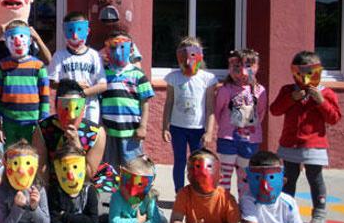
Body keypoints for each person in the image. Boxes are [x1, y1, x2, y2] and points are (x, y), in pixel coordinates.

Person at [270, 50, 342, 223]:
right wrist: (291, 99)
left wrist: (321, 101)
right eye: (301, 73)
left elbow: (334, 118)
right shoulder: (288, 90)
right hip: (290, 143)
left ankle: (319, 212)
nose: (306, 77)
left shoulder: (326, 93)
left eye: (311, 72)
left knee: (315, 178)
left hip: (314, 144)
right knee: (289, 178)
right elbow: (275, 110)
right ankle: (286, 213)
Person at [46, 146, 126, 223]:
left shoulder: (89, 190)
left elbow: (92, 221)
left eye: (75, 167)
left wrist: (64, 216)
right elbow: (54, 221)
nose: (71, 175)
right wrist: (80, 220)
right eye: (64, 169)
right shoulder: (54, 191)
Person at [162, 37, 217, 192]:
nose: (188, 59)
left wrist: (209, 131)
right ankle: (179, 191)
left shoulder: (208, 78)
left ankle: (197, 191)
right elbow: (169, 102)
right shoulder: (173, 77)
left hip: (197, 128)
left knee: (198, 162)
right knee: (179, 161)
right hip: (178, 127)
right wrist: (165, 127)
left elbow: (210, 106)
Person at [36, 79, 109, 188]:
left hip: (81, 189)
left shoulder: (96, 133)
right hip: (52, 189)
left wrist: (78, 146)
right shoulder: (43, 129)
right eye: (65, 108)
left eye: (76, 108)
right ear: (56, 107)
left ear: (83, 108)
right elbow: (41, 170)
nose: (71, 115)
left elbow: (89, 175)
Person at [215, 48, 267, 194]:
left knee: (245, 177)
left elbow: (261, 112)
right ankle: (223, 207)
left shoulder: (259, 91)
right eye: (237, 67)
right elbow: (218, 112)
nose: (243, 72)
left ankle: (244, 208)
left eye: (248, 67)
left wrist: (251, 129)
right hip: (228, 139)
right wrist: (227, 128)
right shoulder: (225, 90)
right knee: (224, 176)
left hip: (251, 140)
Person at [0, 20, 50, 147]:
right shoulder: (1, 66)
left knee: (31, 156)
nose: (17, 42)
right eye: (12, 38)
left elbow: (45, 97)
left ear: (29, 40)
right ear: (6, 42)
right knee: (11, 156)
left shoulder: (39, 66)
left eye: (22, 37)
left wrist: (44, 122)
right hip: (9, 123)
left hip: (33, 123)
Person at [101, 31, 154, 167]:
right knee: (109, 169)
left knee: (132, 168)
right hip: (109, 131)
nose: (118, 51)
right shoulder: (103, 74)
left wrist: (143, 126)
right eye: (113, 47)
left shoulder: (138, 75)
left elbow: (145, 103)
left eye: (122, 47)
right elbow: (99, 100)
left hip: (131, 133)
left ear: (131, 50)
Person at [46, 11, 106, 124]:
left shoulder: (94, 56)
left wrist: (83, 93)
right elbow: (51, 82)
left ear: (87, 31)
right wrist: (75, 85)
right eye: (70, 31)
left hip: (90, 107)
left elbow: (102, 85)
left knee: (88, 137)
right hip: (67, 106)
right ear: (64, 32)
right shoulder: (59, 56)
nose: (75, 36)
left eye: (79, 30)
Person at [108, 156, 168, 223]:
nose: (131, 191)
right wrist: (137, 222)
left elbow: (155, 220)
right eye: (126, 184)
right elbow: (113, 222)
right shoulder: (117, 196)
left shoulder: (149, 197)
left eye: (139, 185)